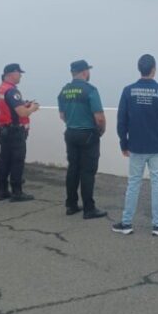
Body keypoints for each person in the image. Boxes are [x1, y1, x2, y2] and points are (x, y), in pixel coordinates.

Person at [113, 54, 158, 236]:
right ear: (154, 69)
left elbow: (121, 121)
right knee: (157, 184)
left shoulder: (128, 91)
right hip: (157, 146)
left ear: (139, 68)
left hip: (136, 146)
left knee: (133, 184)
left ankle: (126, 223)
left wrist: (123, 143)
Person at [57, 59, 107, 219]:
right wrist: (101, 131)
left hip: (71, 133)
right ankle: (89, 209)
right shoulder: (90, 90)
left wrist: (73, 123)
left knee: (73, 169)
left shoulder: (64, 91)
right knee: (87, 171)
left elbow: (63, 115)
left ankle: (71, 205)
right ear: (85, 72)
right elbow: (99, 118)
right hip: (88, 134)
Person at [0, 63, 40, 201]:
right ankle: (17, 192)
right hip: (14, 131)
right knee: (17, 161)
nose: (20, 75)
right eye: (18, 73)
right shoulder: (12, 91)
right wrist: (32, 107)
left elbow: (9, 107)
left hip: (4, 129)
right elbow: (22, 112)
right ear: (10, 74)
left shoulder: (1, 89)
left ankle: (2, 191)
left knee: (4, 160)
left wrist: (23, 104)